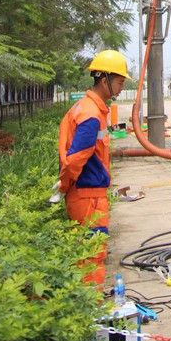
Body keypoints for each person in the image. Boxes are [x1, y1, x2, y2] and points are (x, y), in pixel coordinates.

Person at [56, 50, 130, 286]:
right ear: (104, 79)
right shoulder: (90, 114)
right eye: (119, 82)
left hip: (86, 194)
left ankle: (88, 307)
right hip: (88, 197)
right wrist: (64, 184)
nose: (120, 88)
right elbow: (77, 157)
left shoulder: (86, 108)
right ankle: (92, 310)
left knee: (86, 254)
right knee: (91, 256)